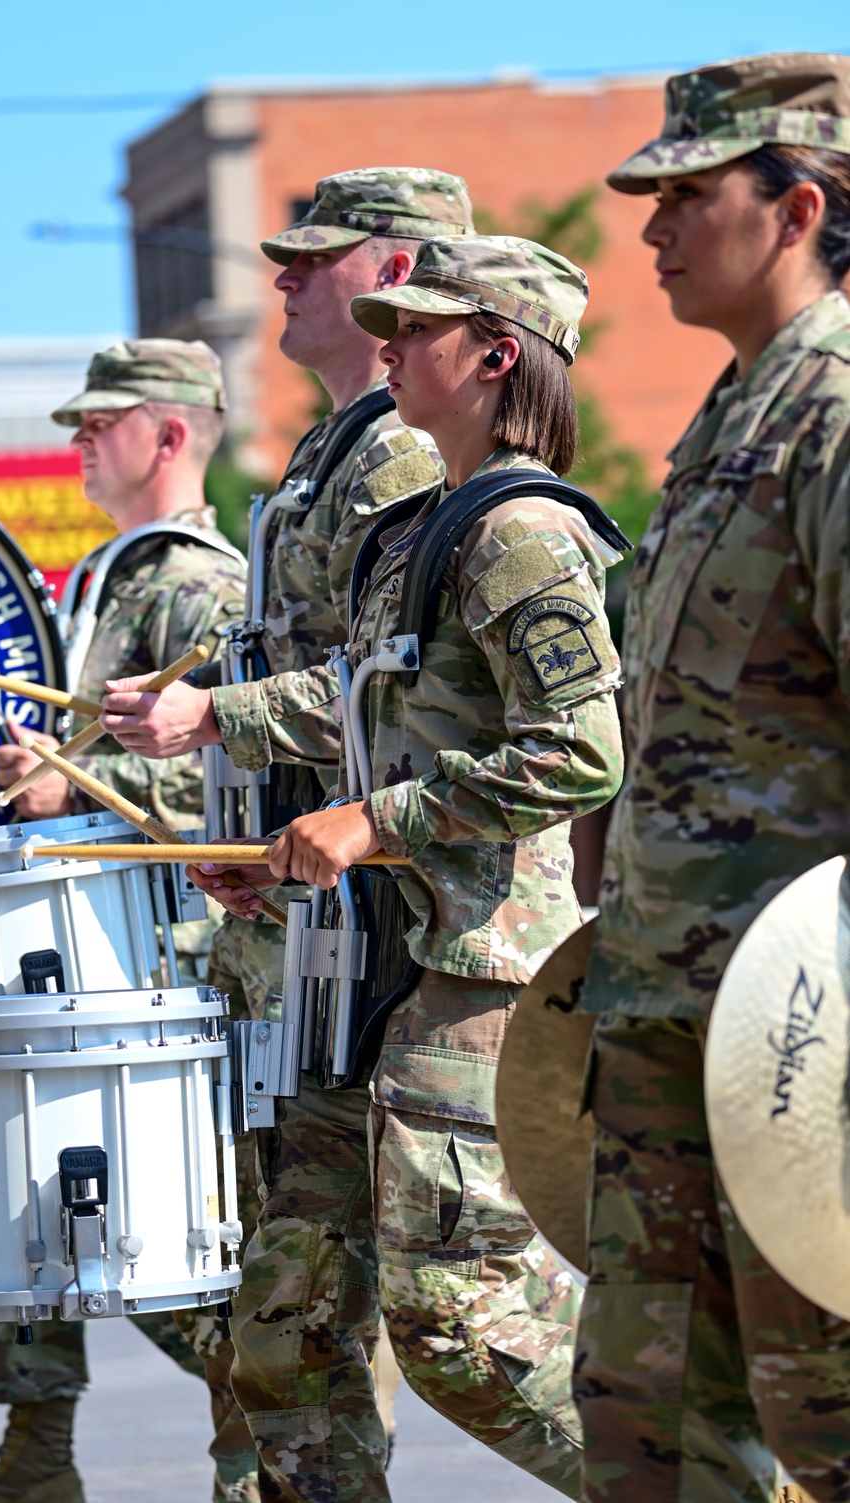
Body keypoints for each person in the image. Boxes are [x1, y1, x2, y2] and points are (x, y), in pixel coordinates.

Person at [175, 234, 625, 1501]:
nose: (386, 341)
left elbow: (579, 753)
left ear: (494, 354)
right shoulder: (423, 530)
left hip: (473, 975)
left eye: (416, 323)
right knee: (293, 1323)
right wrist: (292, 858)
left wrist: (373, 827)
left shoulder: (525, 531)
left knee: (464, 1332)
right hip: (366, 958)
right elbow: (375, 718)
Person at [98, 169, 473, 1492]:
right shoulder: (329, 450)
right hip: (310, 931)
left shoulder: (405, 449)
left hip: (406, 948)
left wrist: (214, 714)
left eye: (319, 257)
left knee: (468, 1338)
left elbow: (391, 692)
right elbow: (322, 677)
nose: (286, 277)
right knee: (289, 1331)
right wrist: (252, 830)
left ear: (404, 271)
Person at [570, 52, 850, 1503]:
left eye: (689, 193)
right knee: (645, 1423)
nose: (654, 227)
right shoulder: (724, 423)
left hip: (802, 1047)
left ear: (795, 206)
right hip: (667, 1022)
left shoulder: (837, 414)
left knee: (830, 1425)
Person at [0, 340, 254, 1503]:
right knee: (9, 1214)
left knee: (149, 1250)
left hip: (162, 956)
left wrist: (72, 786)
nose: (75, 441)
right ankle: (38, 1458)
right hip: (75, 950)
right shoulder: (106, 578)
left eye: (97, 421)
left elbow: (237, 784)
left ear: (168, 435)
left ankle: (262, 1458)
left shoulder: (195, 585)